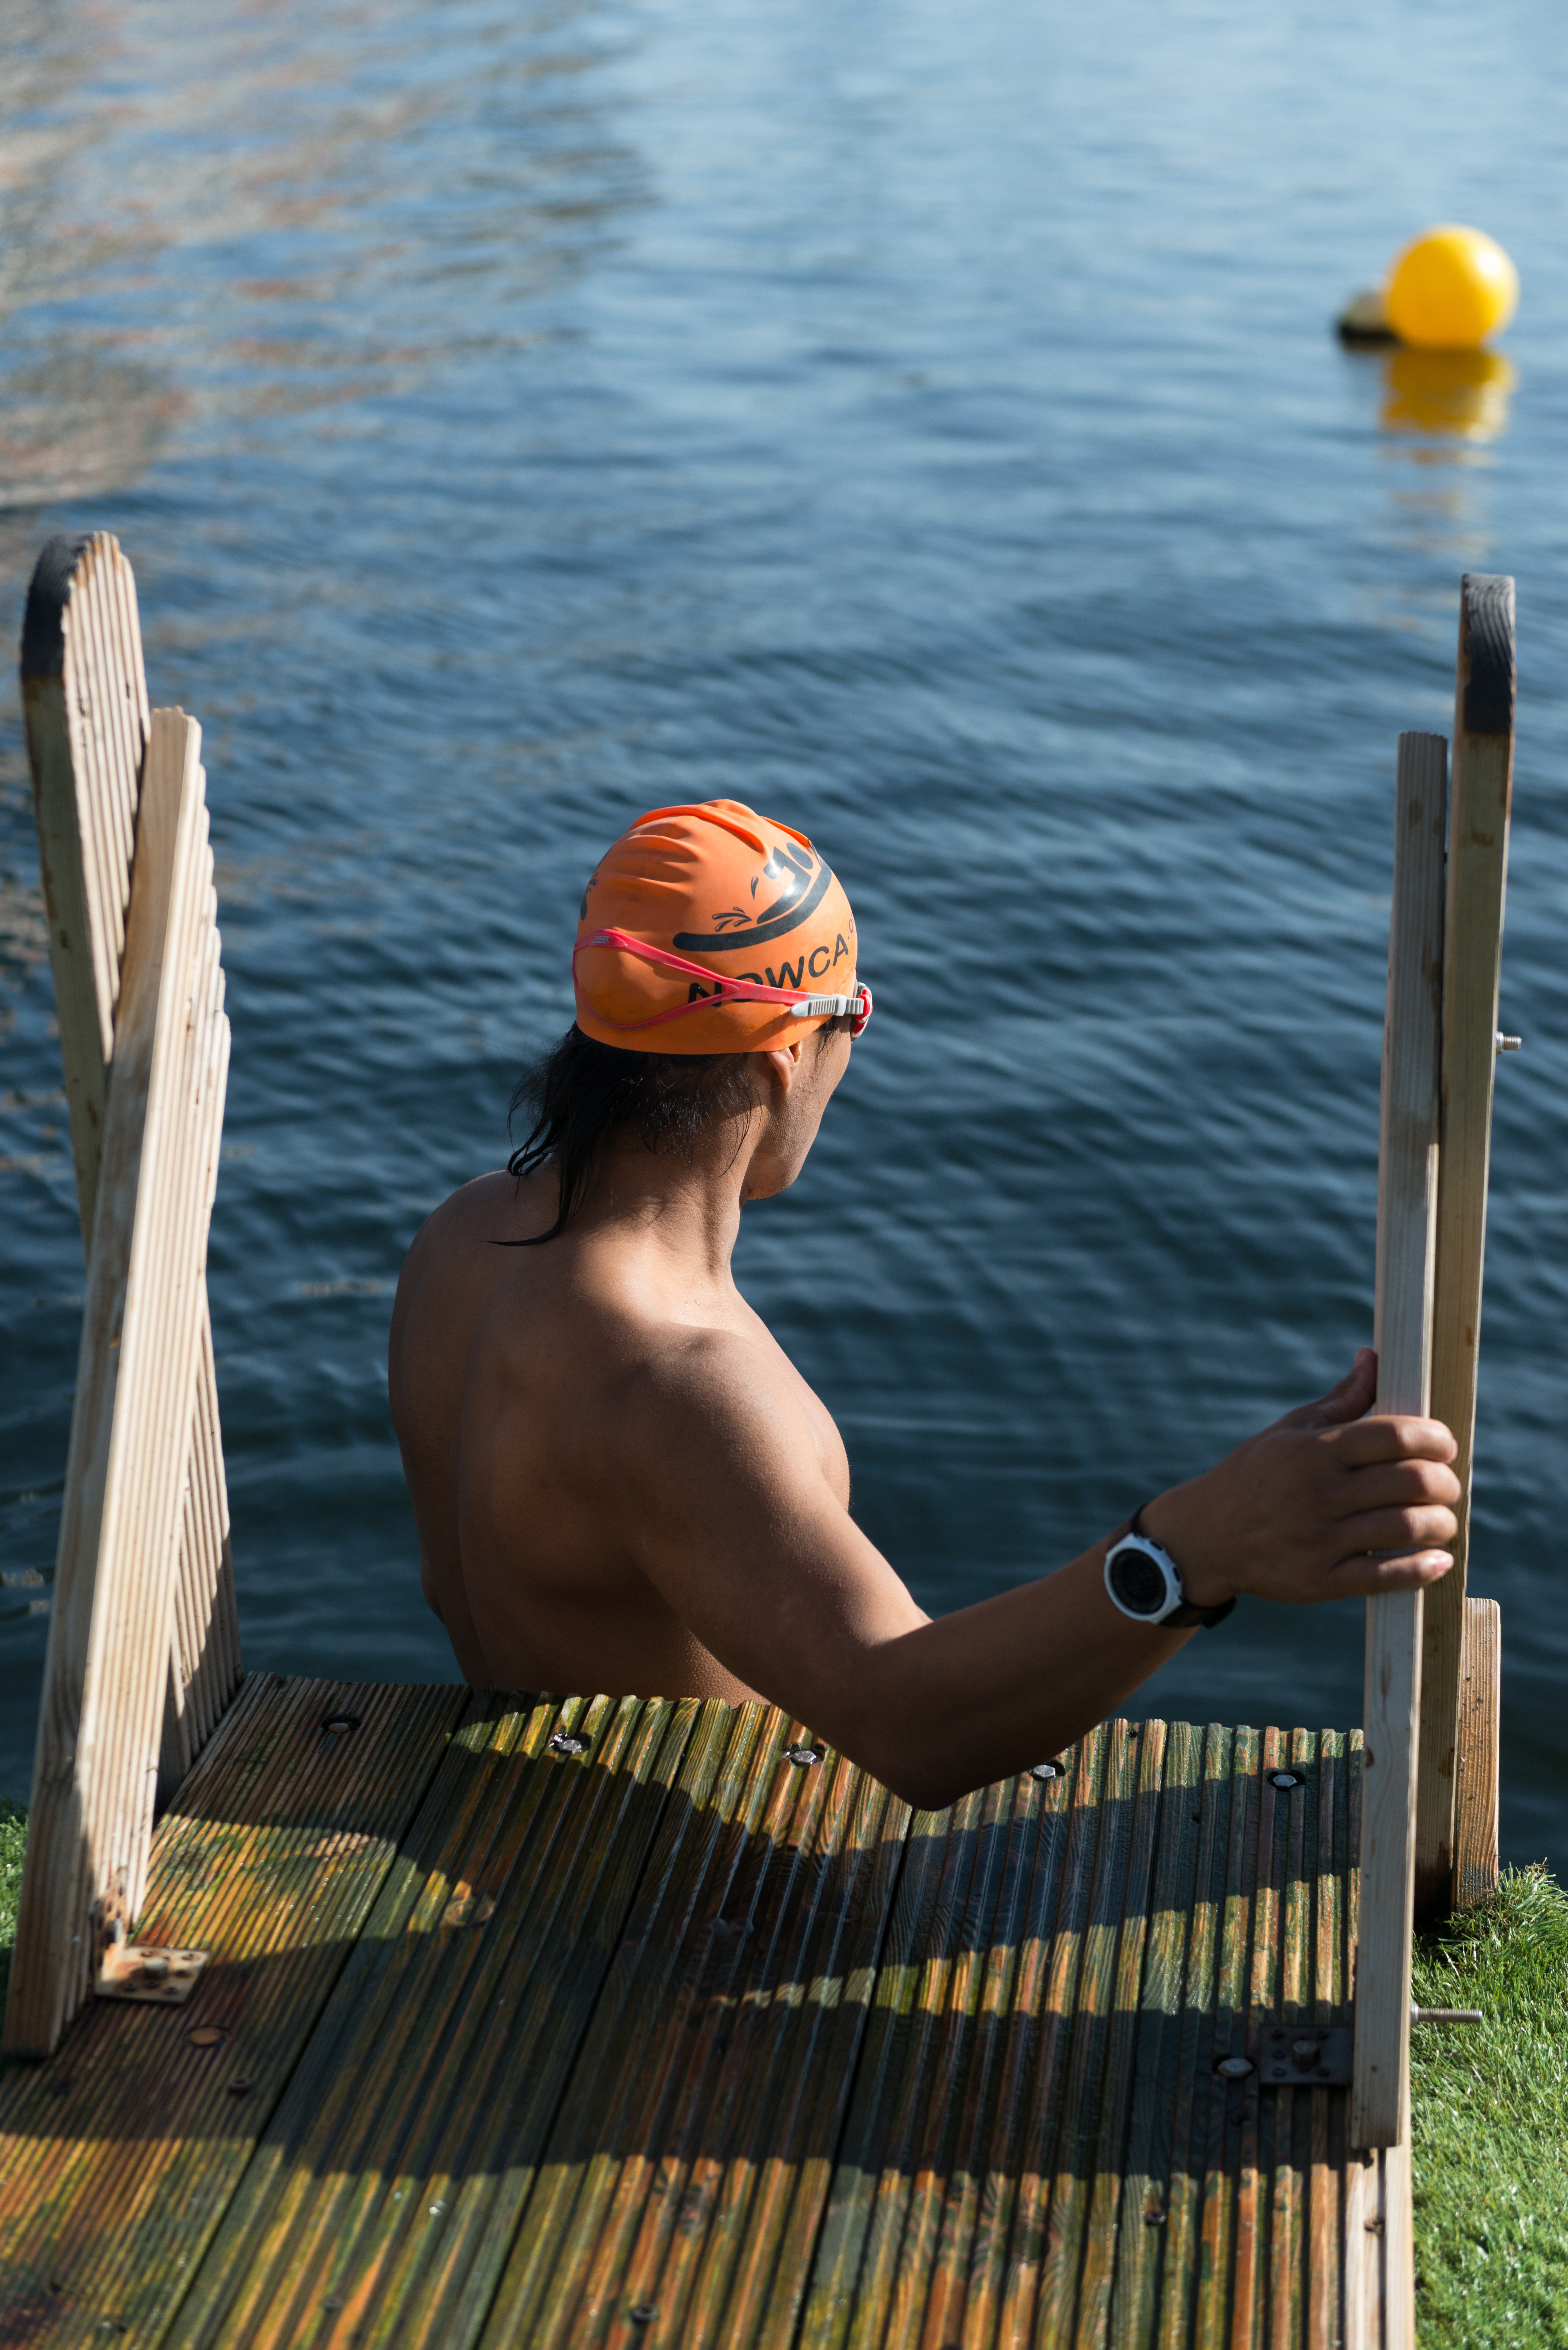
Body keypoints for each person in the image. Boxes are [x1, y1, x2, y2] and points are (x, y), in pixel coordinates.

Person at [389, 800, 1461, 1810]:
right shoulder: (678, 1388)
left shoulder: (465, 1241)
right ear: (779, 1065)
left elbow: (453, 1587)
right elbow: (908, 1726)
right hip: (668, 1889)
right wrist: (1190, 1554)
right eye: (853, 1015)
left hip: (519, 1813)